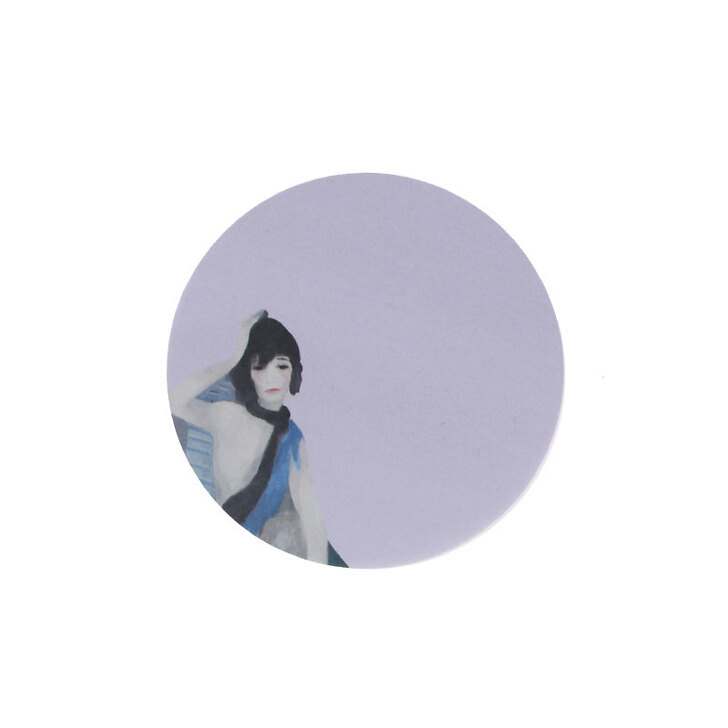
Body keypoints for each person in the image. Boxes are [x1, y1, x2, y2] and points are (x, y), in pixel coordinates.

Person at [170, 311, 345, 566]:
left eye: (281, 366)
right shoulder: (226, 416)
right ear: (247, 372)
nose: (271, 378)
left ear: (293, 372)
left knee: (294, 533)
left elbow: (310, 512)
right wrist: (234, 357)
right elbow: (172, 402)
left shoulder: (292, 438)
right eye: (259, 367)